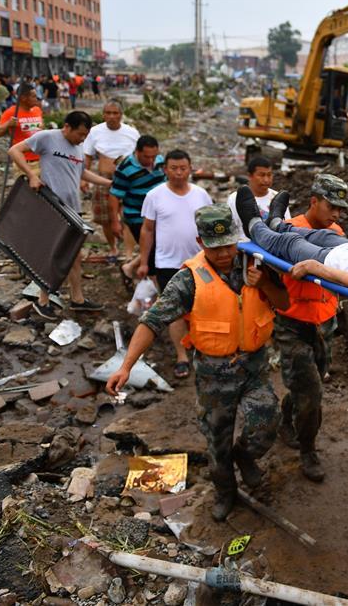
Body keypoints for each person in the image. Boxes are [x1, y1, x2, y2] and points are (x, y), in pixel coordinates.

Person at [105, 205, 289, 522]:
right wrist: (126, 366)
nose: (224, 253)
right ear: (201, 243)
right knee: (217, 442)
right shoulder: (188, 280)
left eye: (230, 245)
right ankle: (226, 492)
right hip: (213, 374)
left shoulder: (256, 264)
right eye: (216, 248)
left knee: (266, 420)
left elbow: (284, 303)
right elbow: (152, 322)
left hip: (253, 367)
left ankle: (244, 455)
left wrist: (265, 285)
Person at [273, 174, 348, 482]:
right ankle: (308, 450)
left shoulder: (337, 233)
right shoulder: (289, 232)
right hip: (292, 322)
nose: (336, 215)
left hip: (324, 322)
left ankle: (287, 419)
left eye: (341, 210)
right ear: (313, 201)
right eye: (332, 207)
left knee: (308, 383)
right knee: (312, 392)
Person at [9, 111, 112, 319]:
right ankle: (43, 300)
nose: (82, 139)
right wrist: (31, 176)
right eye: (80, 134)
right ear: (67, 127)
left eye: (85, 135)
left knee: (74, 256)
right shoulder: (47, 137)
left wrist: (108, 183)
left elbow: (81, 172)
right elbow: (14, 150)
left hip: (73, 208)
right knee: (52, 253)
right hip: (51, 206)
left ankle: (78, 299)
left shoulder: (78, 147)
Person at [137, 149, 213, 379]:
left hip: (199, 261)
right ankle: (182, 355)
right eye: (174, 168)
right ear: (165, 170)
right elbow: (147, 230)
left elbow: (210, 228)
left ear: (190, 169)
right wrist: (143, 262)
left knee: (203, 306)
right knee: (175, 311)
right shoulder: (154, 196)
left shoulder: (201, 195)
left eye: (183, 168)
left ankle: (205, 348)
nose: (179, 173)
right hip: (167, 263)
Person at [83, 100, 140, 260]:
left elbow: (139, 156)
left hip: (129, 179)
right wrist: (83, 179)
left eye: (115, 113)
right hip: (103, 178)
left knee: (129, 214)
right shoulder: (95, 132)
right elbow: (87, 155)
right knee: (105, 217)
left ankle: (128, 252)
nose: (111, 117)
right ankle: (113, 248)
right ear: (103, 115)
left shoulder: (132, 132)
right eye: (108, 113)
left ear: (121, 115)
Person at [109, 134, 166, 286]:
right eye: (147, 157)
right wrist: (115, 221)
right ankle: (155, 287)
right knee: (152, 250)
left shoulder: (160, 162)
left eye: (154, 156)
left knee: (161, 245)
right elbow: (115, 195)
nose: (151, 161)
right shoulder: (126, 168)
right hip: (137, 215)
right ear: (138, 152)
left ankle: (129, 267)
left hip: (160, 213)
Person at [226, 155, 288, 242]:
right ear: (250, 176)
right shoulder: (235, 198)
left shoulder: (278, 198)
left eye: (269, 175)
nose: (266, 180)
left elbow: (286, 226)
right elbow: (231, 229)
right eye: (262, 175)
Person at [0, 83, 44, 177]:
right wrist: (8, 124)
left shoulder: (37, 110)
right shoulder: (11, 112)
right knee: (25, 191)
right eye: (33, 96)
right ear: (23, 98)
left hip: (41, 161)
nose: (37, 99)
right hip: (24, 163)